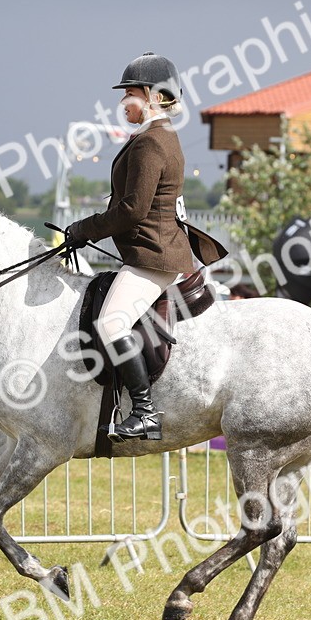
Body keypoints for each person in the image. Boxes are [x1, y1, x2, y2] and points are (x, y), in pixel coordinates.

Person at [64, 52, 225, 442]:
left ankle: (145, 412)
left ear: (154, 96)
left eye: (131, 94)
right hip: (149, 252)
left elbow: (132, 210)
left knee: (110, 323)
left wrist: (83, 229)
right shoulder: (158, 137)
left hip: (153, 256)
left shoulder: (152, 143)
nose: (124, 103)